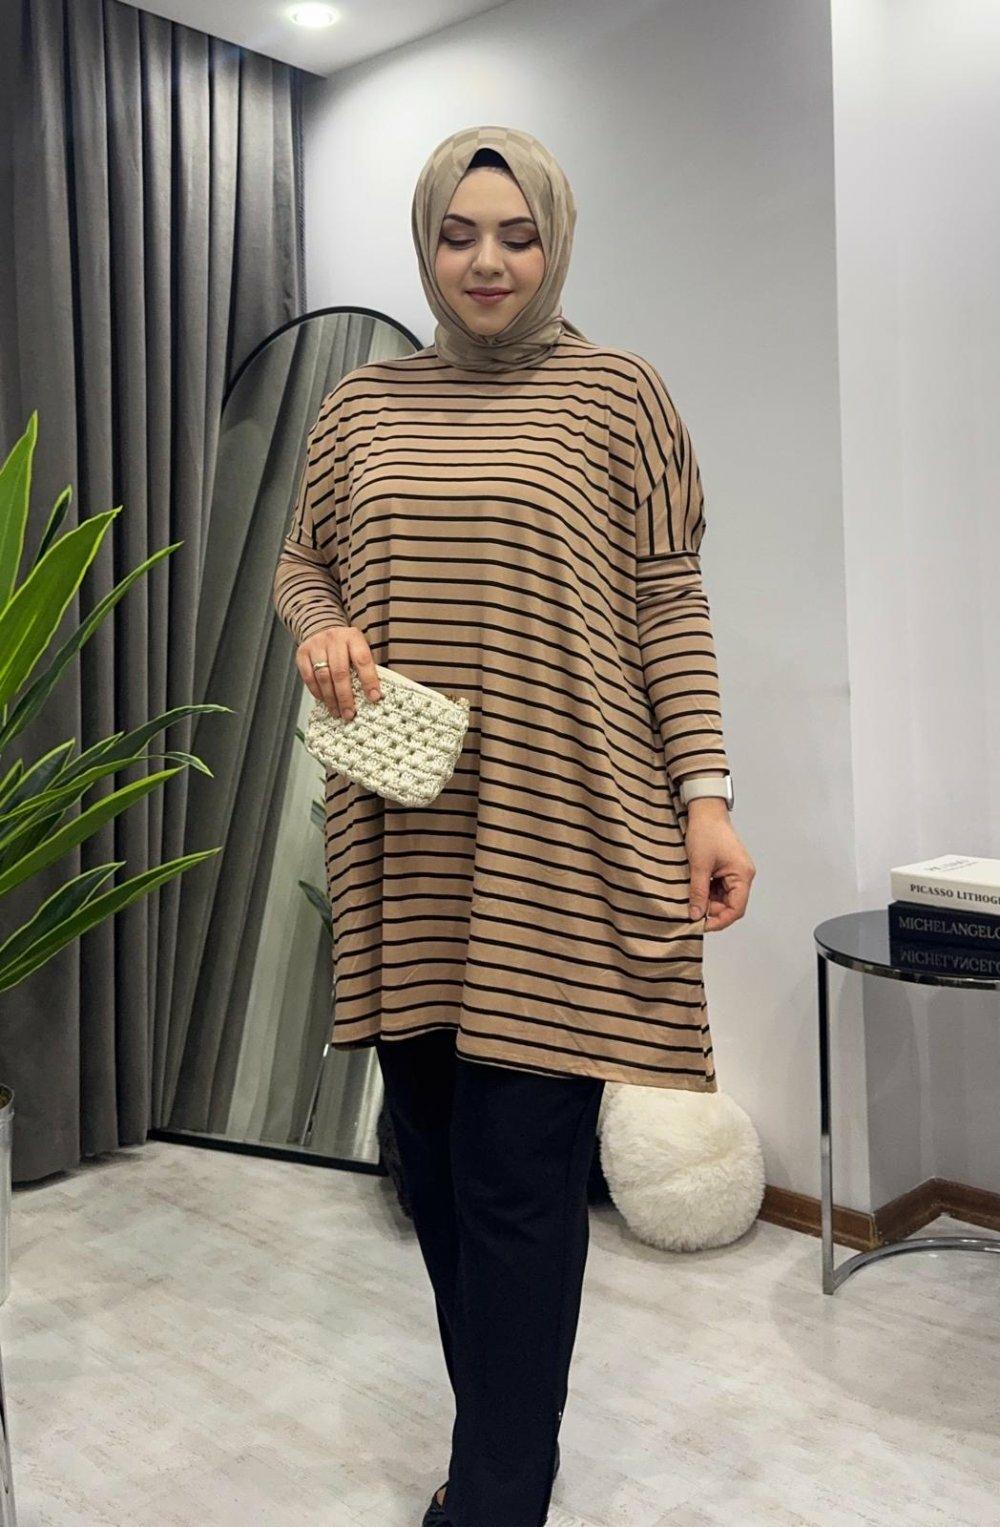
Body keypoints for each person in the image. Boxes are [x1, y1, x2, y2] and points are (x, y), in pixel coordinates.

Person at [273, 124, 755, 1527]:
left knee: (519, 1180)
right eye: (459, 233)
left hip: (567, 832)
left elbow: (669, 605)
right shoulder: (359, 409)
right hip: (405, 835)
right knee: (433, 1172)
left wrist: (706, 800)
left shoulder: (618, 396)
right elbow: (304, 562)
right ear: (427, 244)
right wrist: (320, 627)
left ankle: (495, 1497)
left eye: (517, 235)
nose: (487, 261)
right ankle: (493, 1452)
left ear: (556, 242)